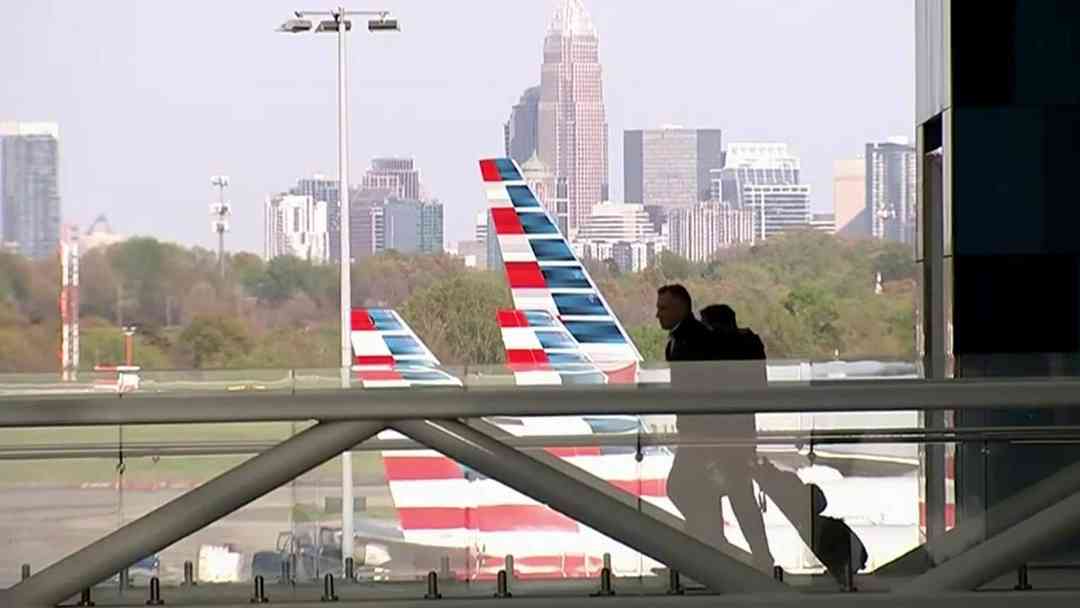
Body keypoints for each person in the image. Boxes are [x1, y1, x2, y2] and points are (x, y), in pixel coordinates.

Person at [700, 302, 868, 586]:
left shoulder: (722, 349)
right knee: (741, 496)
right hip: (742, 431)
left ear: (716, 326)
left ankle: (736, 552)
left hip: (722, 433)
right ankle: (757, 554)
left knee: (726, 494)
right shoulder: (749, 344)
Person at [657, 285, 774, 572]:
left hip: (706, 433)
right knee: (734, 493)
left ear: (682, 309)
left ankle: (717, 546)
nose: (657, 314)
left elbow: (702, 388)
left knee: (687, 488)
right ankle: (741, 552)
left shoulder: (690, 341)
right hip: (725, 432)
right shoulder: (685, 339)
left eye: (664, 308)